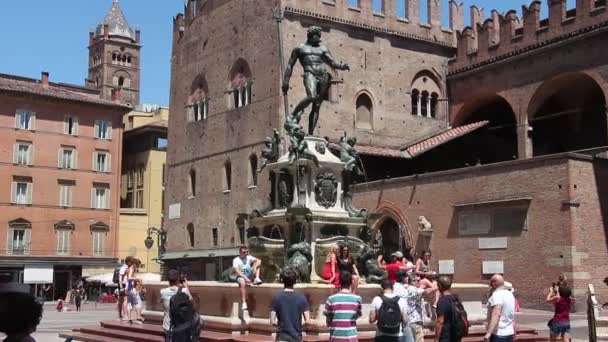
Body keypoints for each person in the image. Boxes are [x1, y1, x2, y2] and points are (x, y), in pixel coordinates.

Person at [282, 26, 350, 135]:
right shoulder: (300, 48)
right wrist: (286, 81)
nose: (319, 39)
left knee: (317, 105)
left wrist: (342, 66)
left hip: (323, 76)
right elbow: (290, 65)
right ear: (311, 36)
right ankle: (293, 115)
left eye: (319, 36)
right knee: (311, 96)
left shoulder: (322, 49)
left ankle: (311, 134)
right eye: (317, 36)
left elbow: (332, 62)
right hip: (309, 74)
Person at [394, 272, 437, 342]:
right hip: (415, 321)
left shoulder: (404, 289)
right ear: (413, 281)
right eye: (419, 280)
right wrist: (439, 284)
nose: (420, 282)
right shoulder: (415, 290)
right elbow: (428, 291)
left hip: (406, 321)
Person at [270, 268, 310, 342]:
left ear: (282, 280)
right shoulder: (301, 297)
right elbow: (308, 321)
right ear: (295, 281)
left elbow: (272, 321)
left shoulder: (276, 297)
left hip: (282, 337)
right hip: (297, 337)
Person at [325, 272, 363, 342]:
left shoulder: (330, 299)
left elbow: (328, 323)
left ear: (339, 281)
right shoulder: (357, 299)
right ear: (351, 282)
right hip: (351, 339)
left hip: (335, 338)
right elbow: (356, 317)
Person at [160, 270, 193, 342]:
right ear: (178, 279)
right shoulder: (184, 291)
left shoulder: (163, 292)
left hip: (168, 326)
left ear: (168, 280)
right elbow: (191, 299)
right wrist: (186, 286)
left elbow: (162, 303)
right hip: (181, 326)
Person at [484, 274, 516, 342]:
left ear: (493, 283)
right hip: (509, 332)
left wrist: (488, 333)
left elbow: (496, 313)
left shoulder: (497, 295)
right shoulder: (510, 294)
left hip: (498, 333)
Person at [230, 246, 263, 310]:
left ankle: (257, 278)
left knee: (258, 264)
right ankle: (244, 302)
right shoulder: (236, 260)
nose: (246, 253)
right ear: (240, 252)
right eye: (244, 252)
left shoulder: (249, 257)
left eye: (247, 252)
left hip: (249, 275)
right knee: (242, 282)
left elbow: (259, 260)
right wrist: (245, 278)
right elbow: (237, 271)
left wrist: (255, 267)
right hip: (240, 276)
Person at [435, 276, 462, 342]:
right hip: (456, 334)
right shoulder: (455, 298)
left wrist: (436, 339)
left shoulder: (443, 301)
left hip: (446, 336)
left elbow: (440, 321)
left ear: (440, 286)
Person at [126, 258, 143, 324]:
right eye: (138, 265)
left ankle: (129, 318)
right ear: (135, 264)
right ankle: (138, 318)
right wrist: (137, 279)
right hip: (131, 289)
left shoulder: (130, 268)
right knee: (138, 302)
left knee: (129, 303)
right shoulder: (132, 268)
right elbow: (129, 278)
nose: (138, 266)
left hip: (127, 288)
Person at [118, 256, 133, 320]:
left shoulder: (125, 268)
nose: (132, 263)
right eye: (131, 262)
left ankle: (120, 315)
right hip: (123, 285)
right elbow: (120, 277)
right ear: (128, 262)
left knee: (121, 301)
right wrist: (121, 286)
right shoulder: (124, 268)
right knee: (125, 300)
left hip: (123, 285)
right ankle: (124, 315)